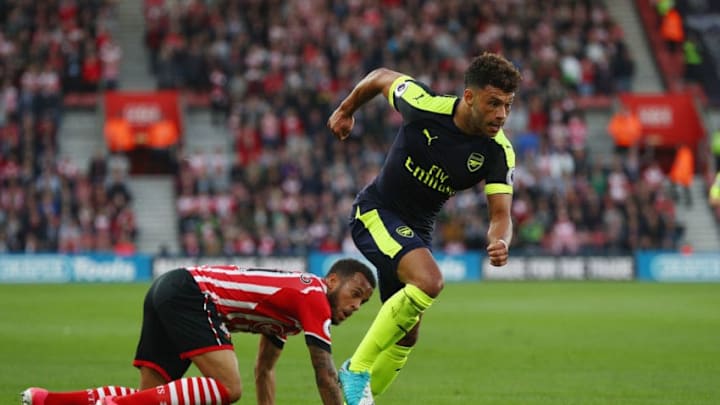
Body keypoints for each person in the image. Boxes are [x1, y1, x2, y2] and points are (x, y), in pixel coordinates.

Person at [327, 52, 521, 405]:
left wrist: (500, 240)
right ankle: (356, 369)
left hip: (416, 231)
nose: (501, 115)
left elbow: (501, 214)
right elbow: (381, 75)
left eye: (507, 105)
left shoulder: (498, 151)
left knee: (406, 337)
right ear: (469, 97)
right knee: (430, 281)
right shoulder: (424, 104)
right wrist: (346, 110)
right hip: (376, 212)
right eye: (494, 103)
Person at [21, 258, 376, 405]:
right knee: (229, 389)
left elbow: (265, 371)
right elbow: (324, 371)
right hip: (194, 295)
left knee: (150, 398)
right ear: (331, 281)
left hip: (172, 288)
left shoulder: (290, 314)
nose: (356, 306)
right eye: (354, 294)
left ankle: (47, 399)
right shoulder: (313, 295)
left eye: (363, 303)